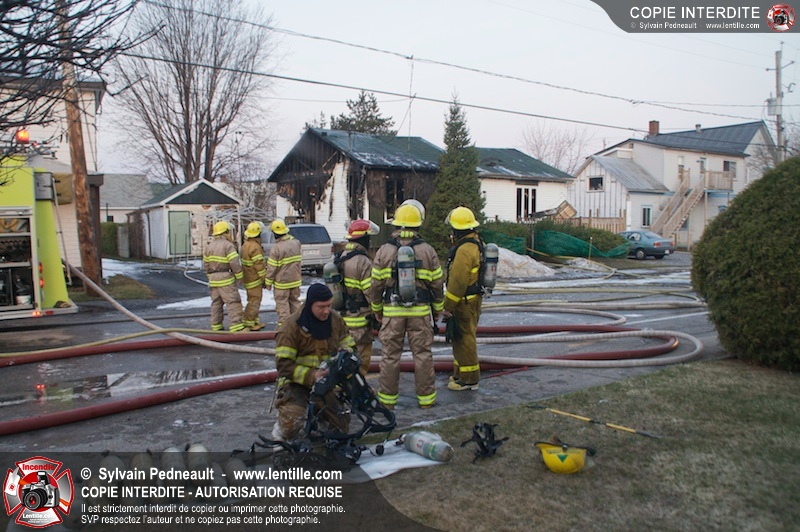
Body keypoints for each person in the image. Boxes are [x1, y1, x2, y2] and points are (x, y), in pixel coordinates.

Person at [369, 203, 444, 409]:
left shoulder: (384, 251)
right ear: (418, 225)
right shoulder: (427, 251)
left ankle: (387, 402)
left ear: (396, 225)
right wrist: (437, 308)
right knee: (422, 355)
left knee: (390, 356)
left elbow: (375, 285)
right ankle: (426, 401)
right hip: (420, 312)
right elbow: (437, 284)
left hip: (392, 312)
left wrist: (377, 309)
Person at [272, 283, 356, 441]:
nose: (326, 311)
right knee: (292, 425)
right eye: (321, 307)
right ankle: (282, 427)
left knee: (340, 428)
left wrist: (346, 353)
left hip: (326, 383)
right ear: (310, 304)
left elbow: (350, 345)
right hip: (296, 384)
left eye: (329, 306)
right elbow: (283, 365)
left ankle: (318, 417)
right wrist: (312, 376)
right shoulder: (291, 327)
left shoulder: (335, 321)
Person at [442, 206, 483, 390]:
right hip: (471, 300)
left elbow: (457, 283)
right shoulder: (475, 243)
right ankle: (460, 374)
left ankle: (469, 380)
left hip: (464, 302)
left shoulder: (465, 250)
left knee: (465, 339)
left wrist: (448, 306)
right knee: (460, 338)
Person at [337, 219, 380, 374]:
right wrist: (379, 312)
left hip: (343, 317)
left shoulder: (341, 256)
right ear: (364, 239)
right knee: (361, 358)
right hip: (360, 320)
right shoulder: (363, 261)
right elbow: (371, 293)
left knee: (344, 357)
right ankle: (358, 386)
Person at [203, 220, 245, 332]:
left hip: (213, 278)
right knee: (233, 302)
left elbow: (206, 264)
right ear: (225, 232)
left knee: (216, 303)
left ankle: (216, 326)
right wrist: (239, 275)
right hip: (225, 278)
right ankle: (236, 326)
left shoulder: (209, 246)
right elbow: (234, 262)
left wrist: (209, 276)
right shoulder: (228, 245)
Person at [265, 219, 302, 329]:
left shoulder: (276, 248)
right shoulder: (296, 243)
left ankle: (285, 328)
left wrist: (268, 282)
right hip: (295, 280)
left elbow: (272, 268)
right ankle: (298, 325)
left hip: (282, 283)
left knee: (282, 305)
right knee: (295, 302)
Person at [240, 221, 267, 331]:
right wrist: (264, 279)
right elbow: (259, 265)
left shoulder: (245, 245)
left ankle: (254, 321)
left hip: (248, 277)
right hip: (254, 279)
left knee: (252, 300)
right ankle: (250, 323)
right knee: (255, 301)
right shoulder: (255, 247)